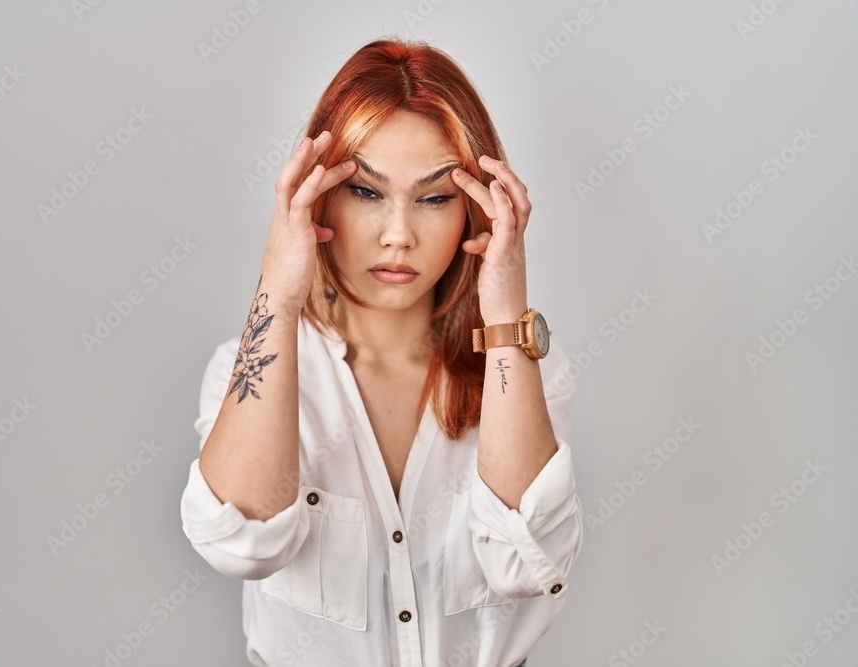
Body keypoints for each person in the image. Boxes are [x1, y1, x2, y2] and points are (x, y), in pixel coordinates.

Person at [180, 37, 583, 667]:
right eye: (366, 192)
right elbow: (239, 545)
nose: (398, 235)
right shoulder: (252, 365)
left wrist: (506, 314)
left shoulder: (525, 369)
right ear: (318, 197)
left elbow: (523, 561)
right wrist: (277, 298)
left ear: (477, 210)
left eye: (435, 197)